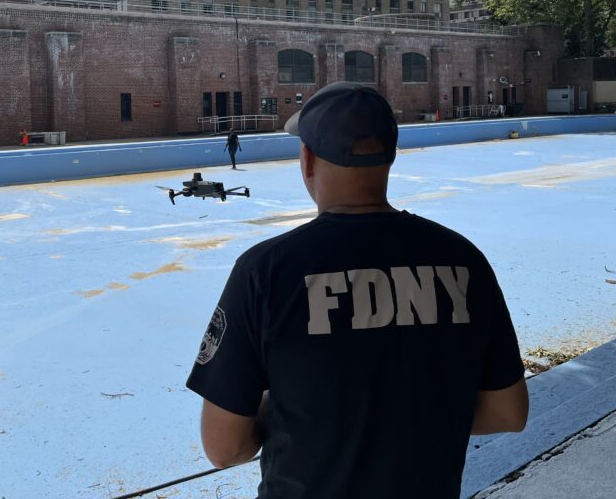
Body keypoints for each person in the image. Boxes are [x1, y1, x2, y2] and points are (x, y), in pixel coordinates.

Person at [186, 82, 528, 498]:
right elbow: (507, 412)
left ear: (307, 160)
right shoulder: (464, 261)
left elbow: (224, 448)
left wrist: (291, 409)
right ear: (390, 156)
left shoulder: (265, 272)